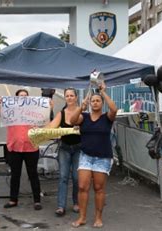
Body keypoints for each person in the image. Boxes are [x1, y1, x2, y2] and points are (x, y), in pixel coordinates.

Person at [70, 82, 117, 228]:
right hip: (86, 156)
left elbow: (114, 109)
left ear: (102, 103)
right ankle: (82, 217)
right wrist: (81, 107)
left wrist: (102, 92)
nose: (95, 102)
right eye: (93, 100)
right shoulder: (83, 116)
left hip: (102, 158)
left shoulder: (107, 118)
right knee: (82, 186)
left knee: (98, 188)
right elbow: (72, 121)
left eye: (98, 101)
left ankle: (98, 217)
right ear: (89, 103)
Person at [0, 89, 42, 210]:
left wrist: (49, 108)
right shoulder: (10, 110)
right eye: (20, 96)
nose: (23, 98)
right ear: (16, 99)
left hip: (31, 146)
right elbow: (2, 116)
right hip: (15, 147)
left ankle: (37, 200)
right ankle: (13, 199)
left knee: (33, 174)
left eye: (25, 96)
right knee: (15, 175)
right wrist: (0, 106)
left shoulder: (34, 111)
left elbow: (44, 119)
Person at [45, 88, 82, 217]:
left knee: (77, 178)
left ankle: (76, 203)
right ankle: (61, 206)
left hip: (78, 148)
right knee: (63, 177)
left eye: (72, 95)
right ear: (65, 98)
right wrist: (48, 112)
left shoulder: (82, 112)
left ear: (76, 97)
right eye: (67, 96)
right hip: (64, 148)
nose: (70, 97)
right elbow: (50, 128)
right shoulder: (61, 114)